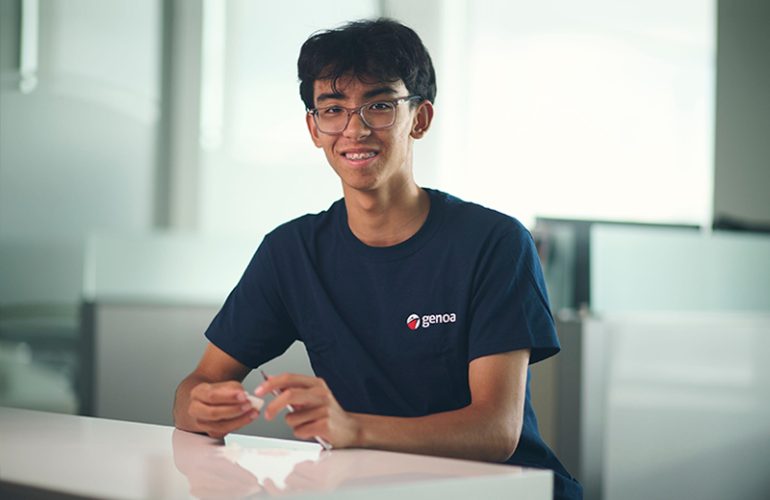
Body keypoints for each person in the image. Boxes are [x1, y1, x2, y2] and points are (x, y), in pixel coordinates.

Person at [173, 18, 582, 500]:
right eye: (333, 109)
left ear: (421, 118)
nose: (355, 129)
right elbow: (196, 384)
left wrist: (354, 429)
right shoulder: (292, 252)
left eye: (379, 105)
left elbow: (495, 430)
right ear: (314, 128)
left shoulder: (494, 243)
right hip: (366, 490)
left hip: (502, 490)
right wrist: (201, 408)